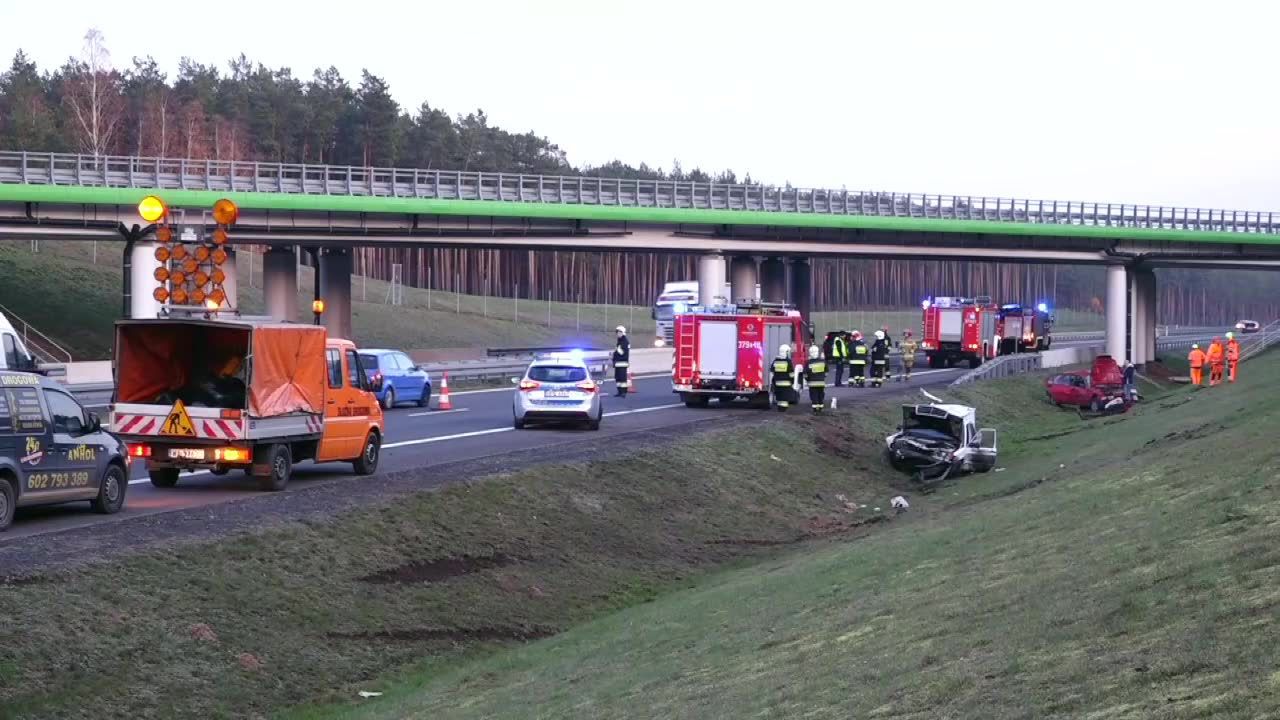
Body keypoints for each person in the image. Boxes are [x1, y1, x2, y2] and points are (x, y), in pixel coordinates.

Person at [771, 344, 795, 412]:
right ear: (786, 352)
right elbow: (791, 373)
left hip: (777, 383)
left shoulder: (776, 361)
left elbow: (772, 370)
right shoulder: (788, 361)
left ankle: (780, 408)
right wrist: (792, 382)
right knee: (785, 398)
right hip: (786, 384)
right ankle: (783, 410)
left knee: (779, 396)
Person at [805, 345, 827, 413]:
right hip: (821, 383)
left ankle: (815, 409)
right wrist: (822, 377)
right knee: (821, 395)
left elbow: (805, 374)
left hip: (812, 383)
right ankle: (820, 408)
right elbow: (826, 372)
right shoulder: (823, 361)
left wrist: (808, 380)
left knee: (814, 396)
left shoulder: (808, 362)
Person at [612, 325, 631, 397]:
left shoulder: (625, 341)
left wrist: (617, 350)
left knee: (622, 378)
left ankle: (623, 392)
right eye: (617, 332)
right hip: (618, 363)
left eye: (619, 332)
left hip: (622, 363)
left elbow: (622, 352)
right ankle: (619, 391)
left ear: (622, 333)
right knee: (618, 378)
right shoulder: (620, 341)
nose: (617, 334)